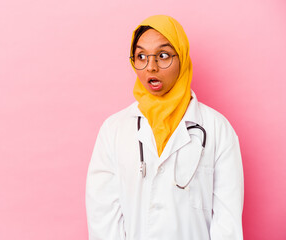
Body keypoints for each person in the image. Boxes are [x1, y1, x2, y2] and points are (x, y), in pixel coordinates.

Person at [86, 15, 244, 240]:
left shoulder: (218, 129)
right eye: (141, 56)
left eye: (163, 56)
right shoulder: (114, 129)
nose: (151, 67)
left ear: (182, 57)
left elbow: (227, 224)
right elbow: (103, 218)